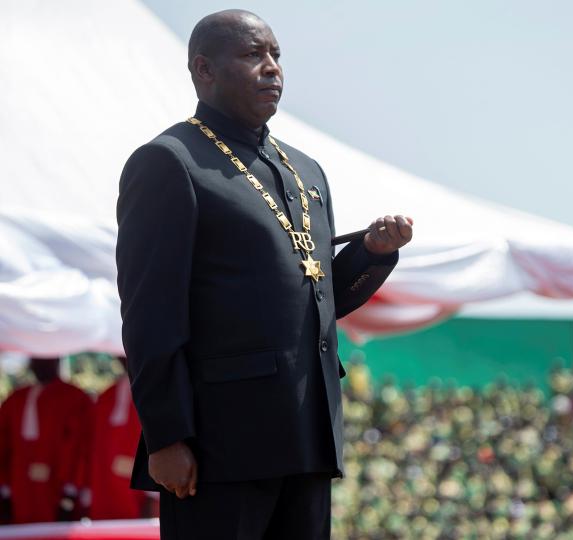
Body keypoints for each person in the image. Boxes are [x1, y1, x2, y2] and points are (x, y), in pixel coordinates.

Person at [115, 9, 413, 539]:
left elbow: (318, 299)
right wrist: (166, 437)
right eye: (254, 55)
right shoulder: (171, 162)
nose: (272, 68)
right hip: (218, 447)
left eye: (276, 56)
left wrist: (371, 253)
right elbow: (149, 314)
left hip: (306, 437)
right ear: (203, 70)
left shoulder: (306, 171)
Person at [0, 358, 92, 524]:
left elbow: (81, 449)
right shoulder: (16, 398)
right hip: (20, 487)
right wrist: (4, 490)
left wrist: (70, 493)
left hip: (57, 486)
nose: (39, 366)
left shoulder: (75, 398)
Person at [89, 357, 157, 519]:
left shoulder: (154, 390)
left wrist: (153, 496)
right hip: (105, 485)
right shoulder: (106, 396)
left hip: (142, 484)